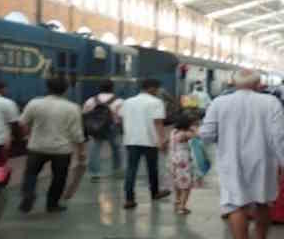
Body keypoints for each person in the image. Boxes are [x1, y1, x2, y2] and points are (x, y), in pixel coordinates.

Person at [199, 69, 284, 239]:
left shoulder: (219, 103)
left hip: (231, 160)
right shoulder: (270, 102)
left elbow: (206, 134)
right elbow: (280, 135)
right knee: (263, 201)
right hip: (263, 160)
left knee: (235, 204)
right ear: (259, 83)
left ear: (233, 82)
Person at [18, 78, 85, 213]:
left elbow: (22, 123)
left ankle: (28, 194)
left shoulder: (35, 103)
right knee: (59, 178)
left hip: (37, 146)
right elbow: (77, 133)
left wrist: (27, 135)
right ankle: (52, 204)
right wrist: (81, 152)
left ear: (47, 88)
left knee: (31, 174)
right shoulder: (73, 107)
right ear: (66, 90)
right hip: (62, 150)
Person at [120, 78, 172, 209]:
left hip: (131, 140)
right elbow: (158, 123)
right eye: (157, 89)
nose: (158, 91)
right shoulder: (156, 102)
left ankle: (129, 199)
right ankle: (155, 193)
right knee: (152, 168)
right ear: (152, 88)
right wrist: (163, 140)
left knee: (131, 169)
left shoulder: (127, 102)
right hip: (150, 140)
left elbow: (122, 119)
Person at [82, 80, 124, 182]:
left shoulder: (91, 100)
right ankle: (117, 170)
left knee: (95, 149)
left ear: (99, 88)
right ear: (112, 88)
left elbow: (84, 113)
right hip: (113, 127)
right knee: (116, 148)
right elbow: (122, 116)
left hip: (96, 128)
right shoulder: (119, 101)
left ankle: (94, 173)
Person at [168, 113, 198, 215]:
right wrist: (193, 129)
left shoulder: (173, 132)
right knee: (186, 184)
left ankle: (177, 201)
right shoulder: (185, 134)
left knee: (177, 182)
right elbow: (197, 135)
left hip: (173, 159)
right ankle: (182, 207)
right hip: (183, 161)